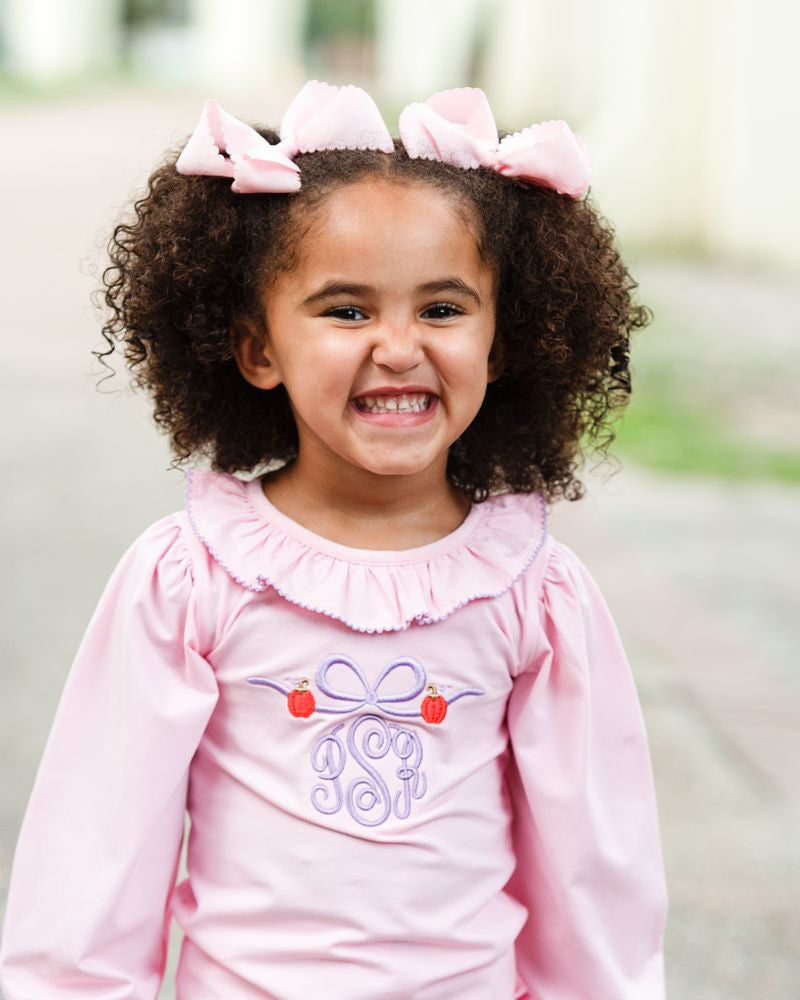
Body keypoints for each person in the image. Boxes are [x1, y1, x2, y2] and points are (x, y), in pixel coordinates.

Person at [0, 80, 669, 998]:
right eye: (346, 311)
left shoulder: (532, 593)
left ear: (501, 342)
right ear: (257, 350)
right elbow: (94, 851)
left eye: (442, 309)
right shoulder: (192, 577)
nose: (398, 346)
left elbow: (595, 872)